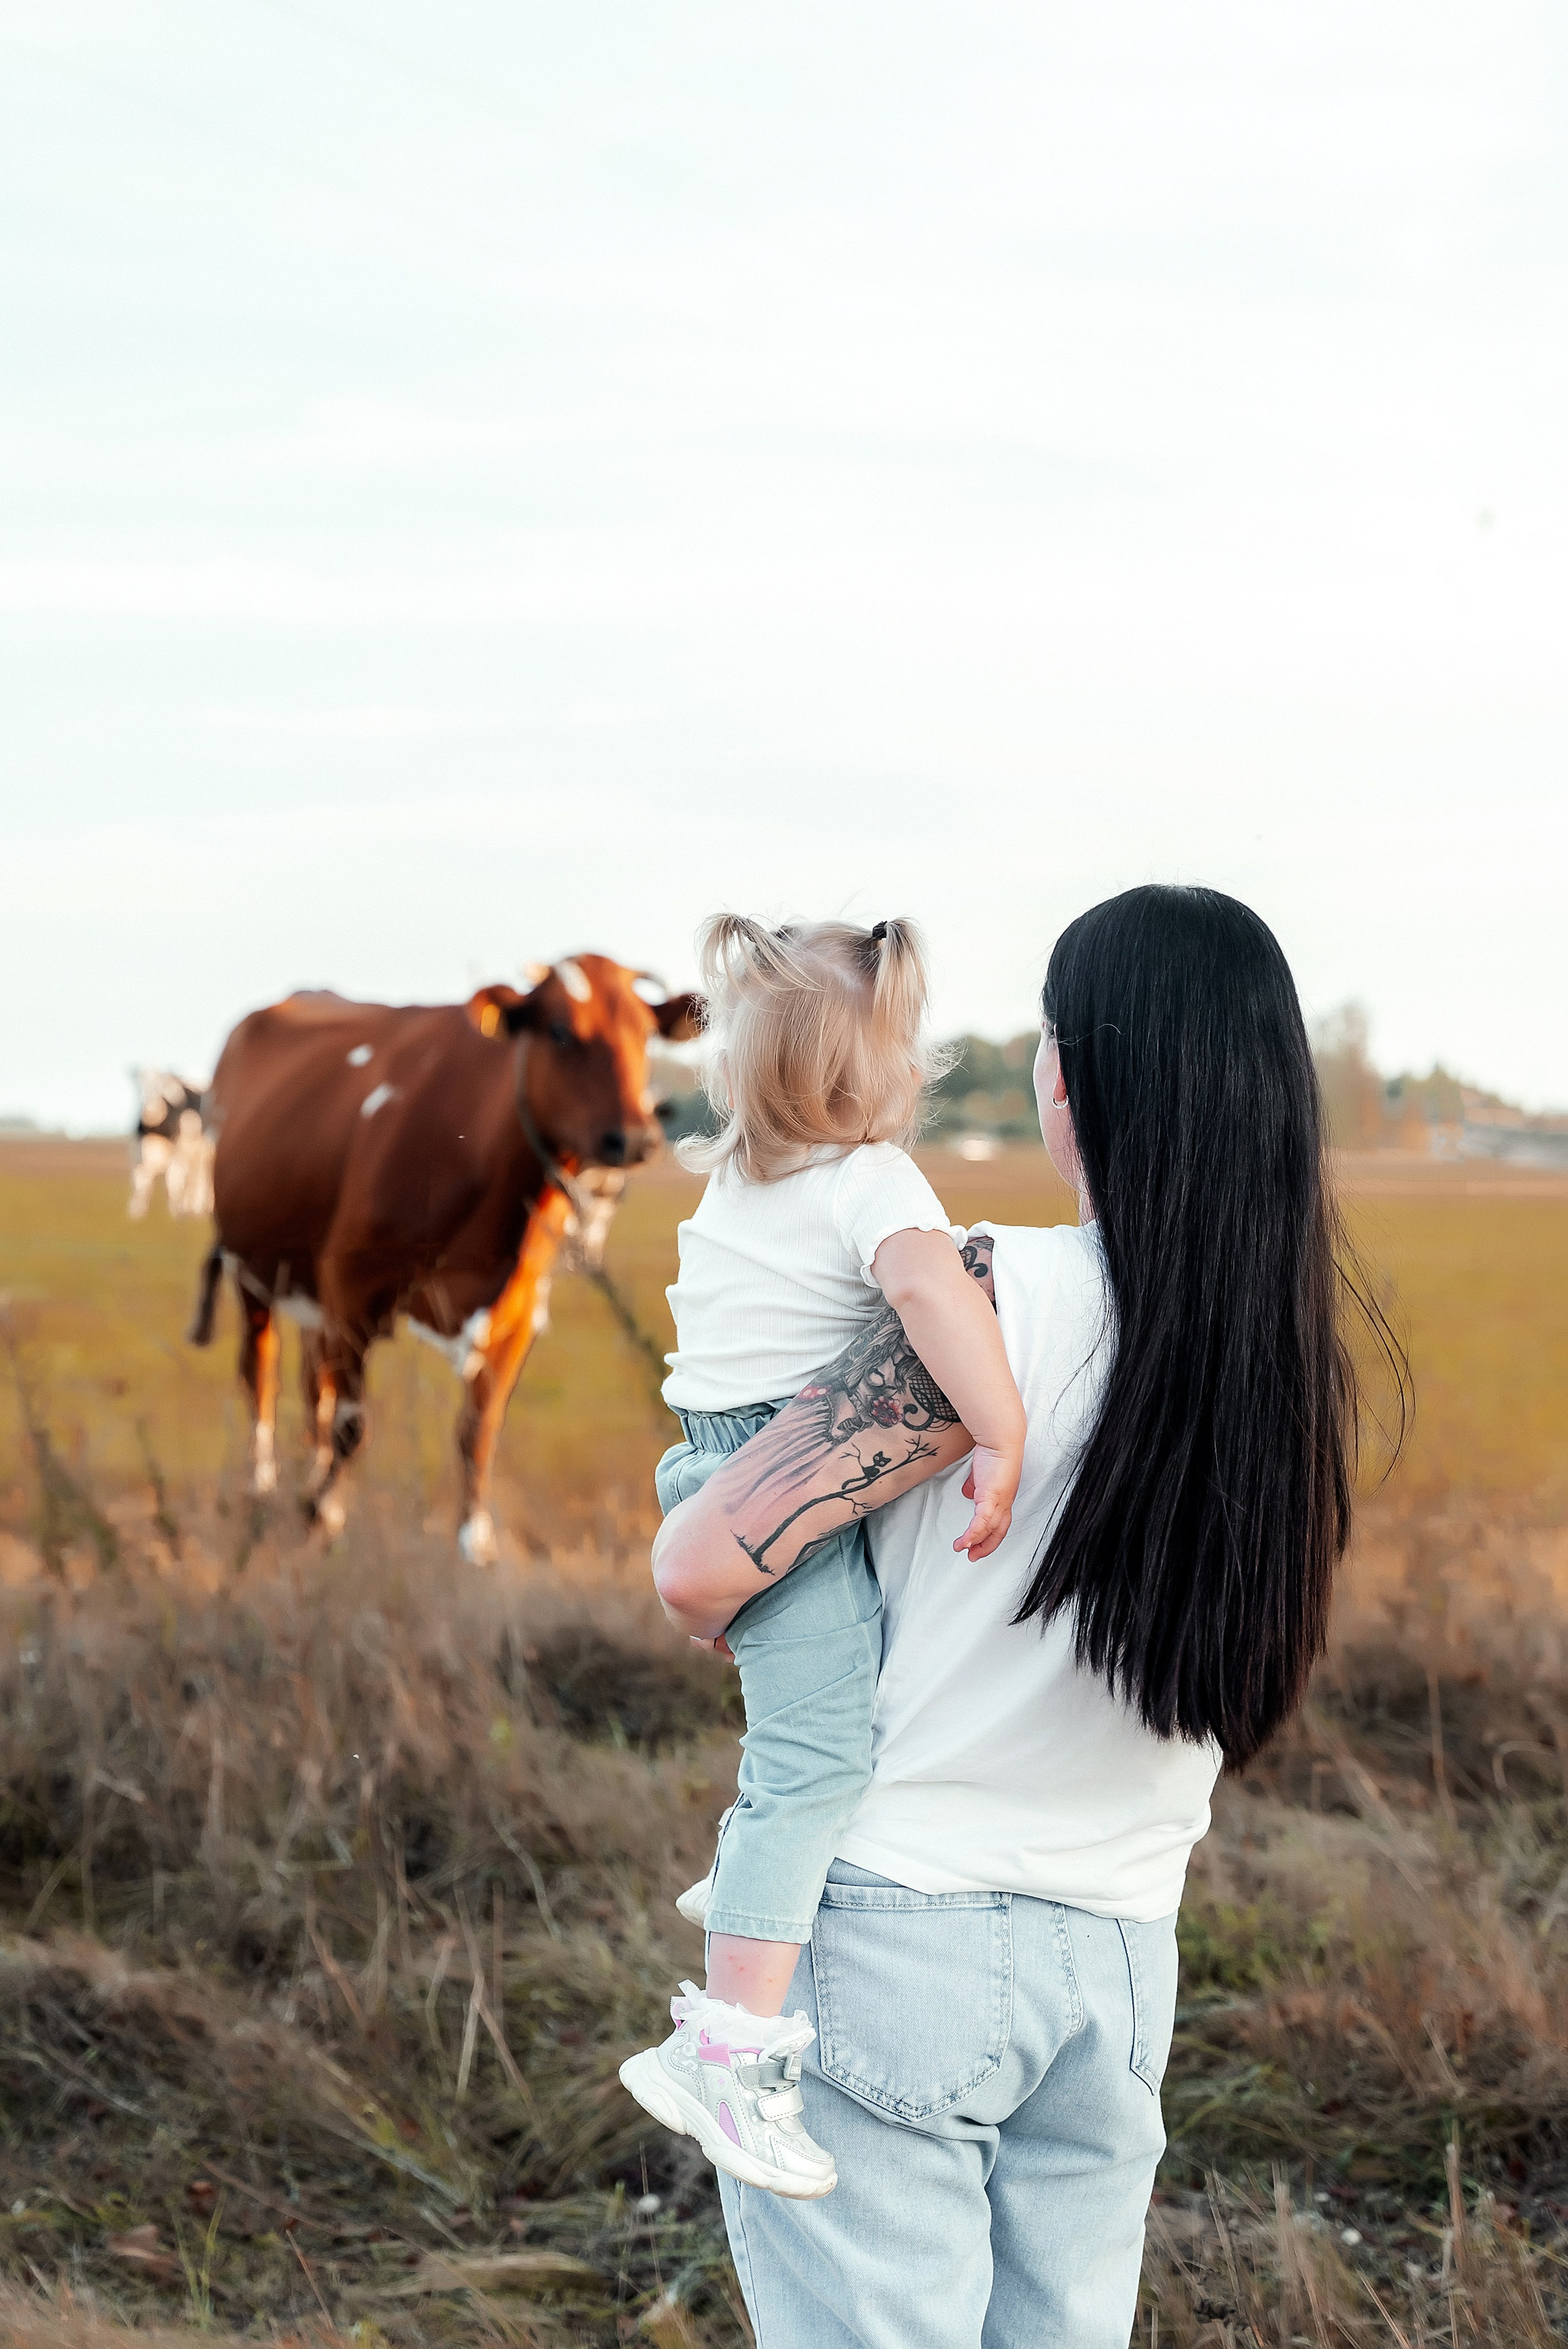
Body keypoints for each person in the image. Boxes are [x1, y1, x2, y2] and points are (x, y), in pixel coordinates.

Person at [649, 885, 1403, 2348]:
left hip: (900, 1932)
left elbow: (700, 1565)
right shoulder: (1277, 1358)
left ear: (1069, 1078)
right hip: (1119, 1965)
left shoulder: (985, 1297)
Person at [619, 913, 1028, 2201]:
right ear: (880, 1068)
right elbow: (928, 1297)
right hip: (772, 1476)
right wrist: (1001, 1426)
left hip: (710, 1457)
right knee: (816, 1765)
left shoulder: (742, 1177)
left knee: (819, 1729)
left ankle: (756, 1862)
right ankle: (724, 2059)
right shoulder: (872, 1182)